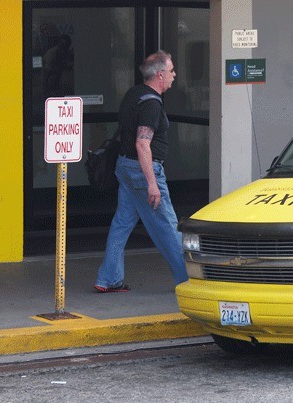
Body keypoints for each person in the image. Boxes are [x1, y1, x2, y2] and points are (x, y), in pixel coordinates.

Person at [94, 50, 189, 292]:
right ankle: (189, 281)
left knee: (122, 223)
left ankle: (108, 278)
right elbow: (142, 143)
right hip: (143, 170)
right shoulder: (151, 104)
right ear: (160, 74)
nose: (174, 75)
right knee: (167, 225)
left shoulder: (134, 94)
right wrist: (152, 184)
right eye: (171, 70)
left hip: (125, 167)